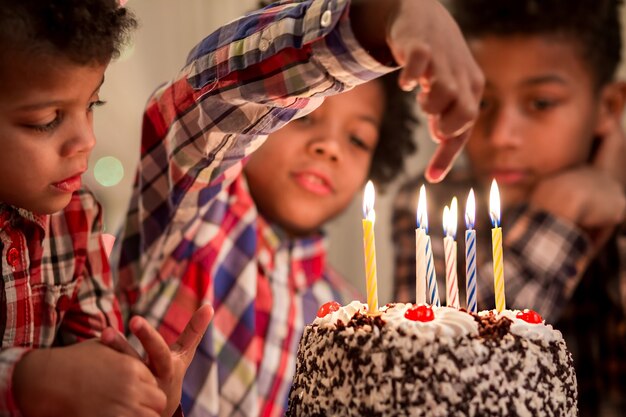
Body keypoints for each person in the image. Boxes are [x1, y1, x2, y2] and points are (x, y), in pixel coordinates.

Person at [114, 0, 484, 415]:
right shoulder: (189, 221)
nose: (328, 148)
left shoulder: (351, 314)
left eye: (357, 140)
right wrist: (381, 17)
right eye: (305, 119)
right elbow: (209, 103)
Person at [392, 0, 626, 415]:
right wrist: (557, 218)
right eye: (482, 102)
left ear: (609, 107)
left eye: (540, 103)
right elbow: (443, 385)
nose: (501, 136)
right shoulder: (432, 205)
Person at [0, 1, 212, 416]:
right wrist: (27, 381)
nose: (86, 140)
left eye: (91, 105)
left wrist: (148, 395)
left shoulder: (79, 216)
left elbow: (96, 366)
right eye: (46, 119)